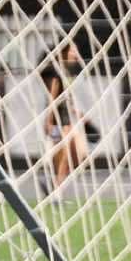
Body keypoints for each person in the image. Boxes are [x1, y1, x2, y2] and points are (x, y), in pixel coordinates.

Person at [39, 42, 90, 193]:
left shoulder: (68, 73)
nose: (75, 54)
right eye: (72, 51)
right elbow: (52, 98)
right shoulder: (56, 73)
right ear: (63, 52)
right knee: (64, 153)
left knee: (79, 154)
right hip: (58, 119)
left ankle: (55, 183)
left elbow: (67, 96)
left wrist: (76, 111)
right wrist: (48, 121)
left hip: (67, 117)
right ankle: (55, 185)